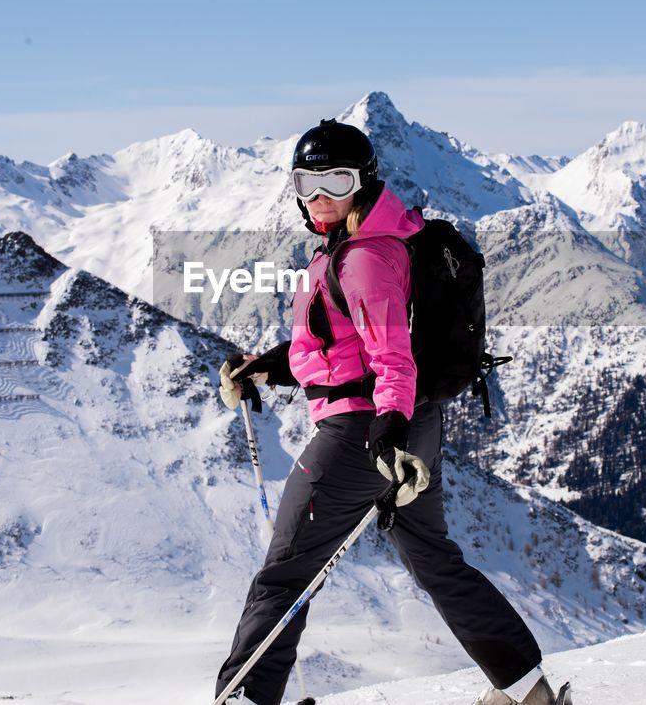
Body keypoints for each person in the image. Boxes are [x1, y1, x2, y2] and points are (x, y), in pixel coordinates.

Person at [214, 119, 568, 705]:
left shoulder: (365, 259)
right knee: (435, 561)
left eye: (335, 179)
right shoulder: (370, 242)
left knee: (284, 575)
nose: (319, 196)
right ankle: (528, 692)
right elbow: (341, 347)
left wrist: (385, 437)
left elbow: (391, 359)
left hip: (366, 434)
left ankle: (243, 700)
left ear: (364, 180)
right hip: (409, 426)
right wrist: (267, 368)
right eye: (306, 182)